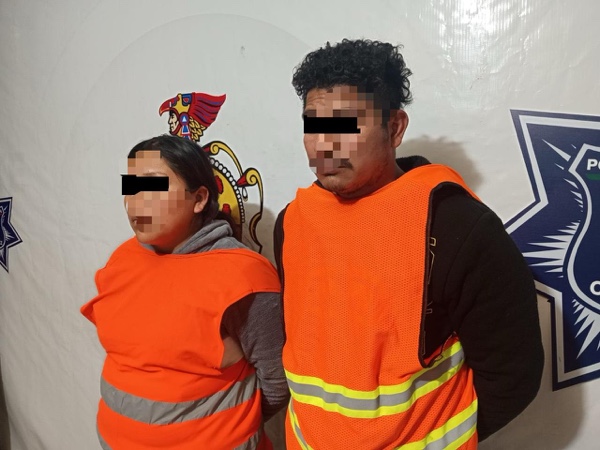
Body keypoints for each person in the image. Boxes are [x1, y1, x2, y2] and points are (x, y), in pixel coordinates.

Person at [274, 39, 544, 449]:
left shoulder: (458, 227)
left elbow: (512, 375)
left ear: (395, 128)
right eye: (313, 124)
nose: (324, 144)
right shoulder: (293, 221)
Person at [81, 134, 288, 449]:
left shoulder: (243, 276)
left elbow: (276, 382)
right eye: (131, 187)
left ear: (200, 198)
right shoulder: (123, 257)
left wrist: (224, 431)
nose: (135, 202)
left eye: (153, 187)